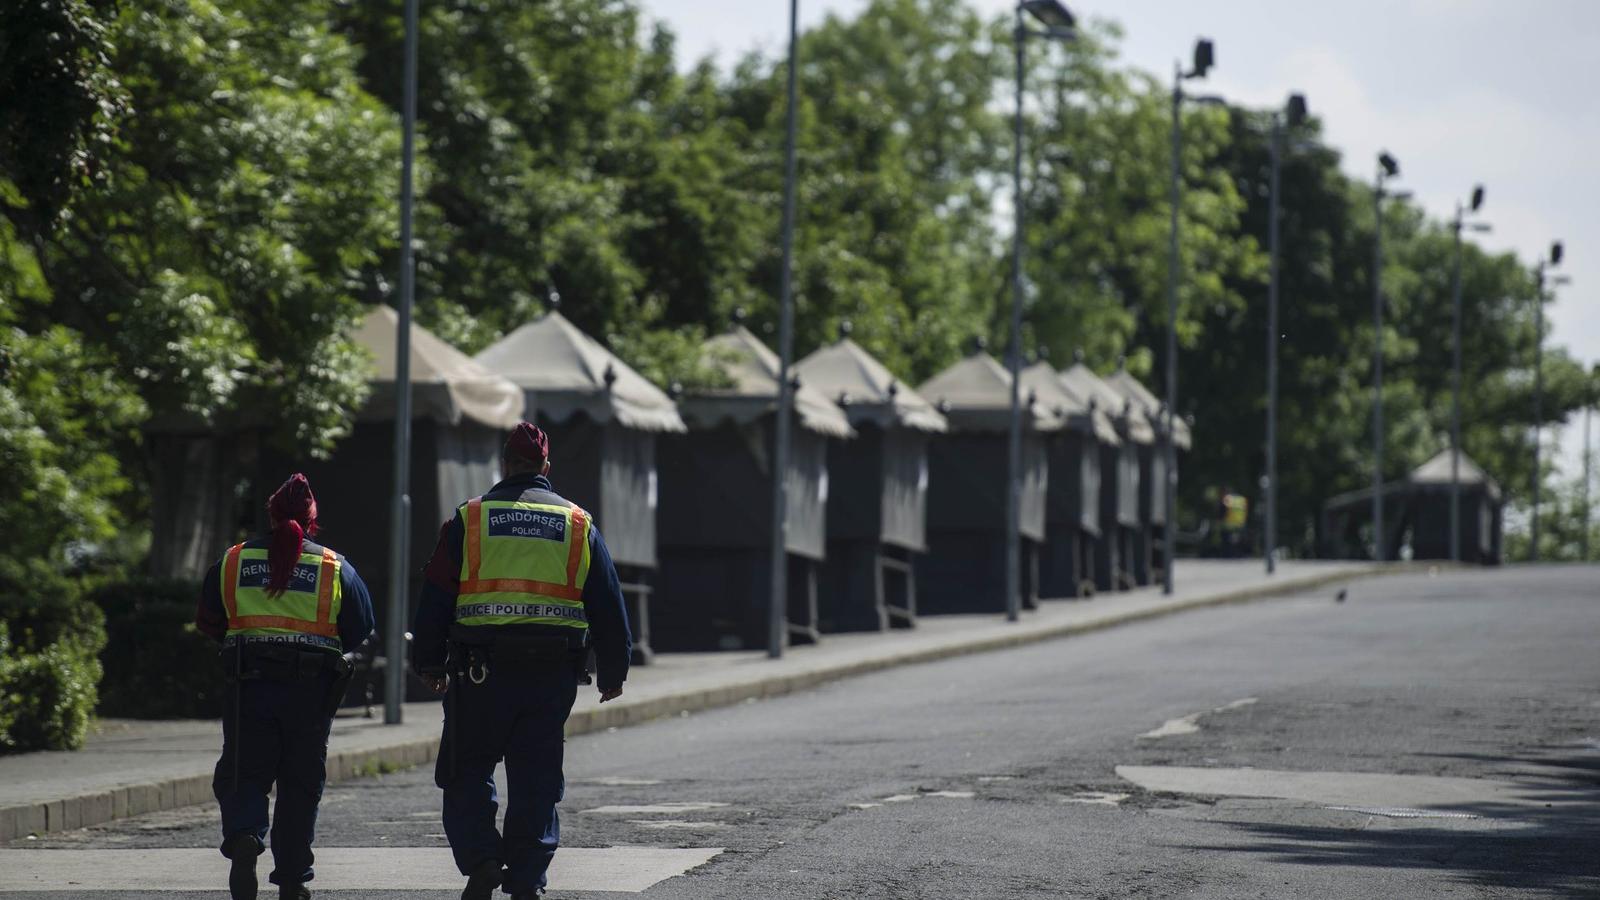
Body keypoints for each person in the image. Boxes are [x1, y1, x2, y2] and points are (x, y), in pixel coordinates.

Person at [413, 422, 632, 900]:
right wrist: (614, 671)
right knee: (536, 777)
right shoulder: (577, 524)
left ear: (504, 463)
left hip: (478, 675)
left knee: (467, 769)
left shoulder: (469, 520)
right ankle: (528, 879)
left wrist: (427, 662)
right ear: (546, 467)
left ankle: (483, 860)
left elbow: (435, 597)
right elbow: (608, 604)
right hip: (550, 676)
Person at [195, 473, 376, 900]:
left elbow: (208, 621)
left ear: (271, 514)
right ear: (313, 520)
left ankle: (244, 837)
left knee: (243, 774)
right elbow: (361, 628)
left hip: (248, 687)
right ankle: (293, 879)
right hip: (310, 693)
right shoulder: (335, 566)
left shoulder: (233, 561)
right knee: (299, 785)